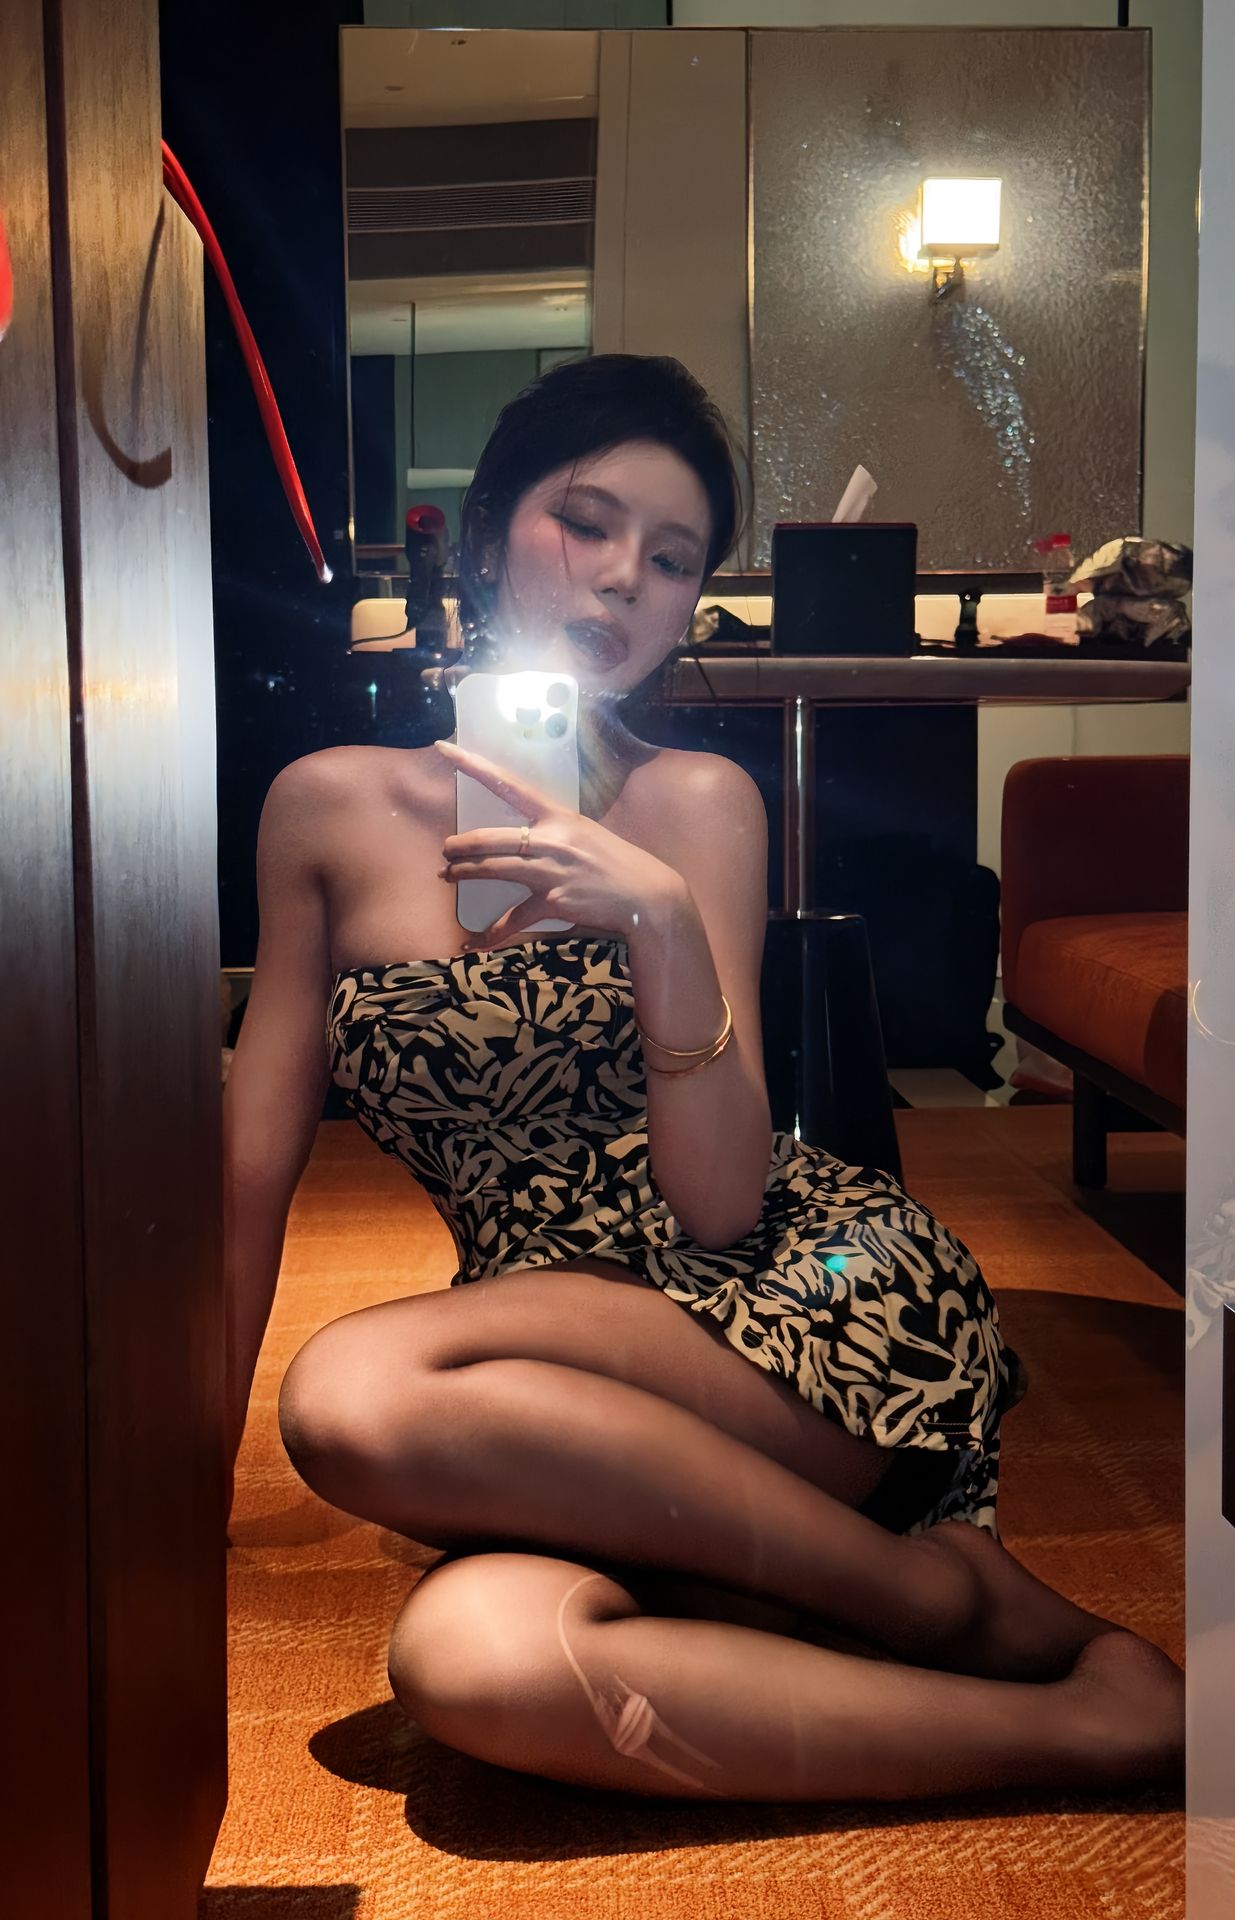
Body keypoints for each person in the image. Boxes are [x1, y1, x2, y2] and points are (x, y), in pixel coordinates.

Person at [225, 353, 1182, 1803]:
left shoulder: (694, 803)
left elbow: (724, 1204)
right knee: (475, 1662)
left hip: (797, 1296)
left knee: (355, 1389)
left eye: (672, 560)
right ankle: (1077, 1720)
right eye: (585, 522)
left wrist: (663, 925)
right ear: (488, 532)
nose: (624, 578)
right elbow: (248, 1173)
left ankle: (924, 1600)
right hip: (554, 1385)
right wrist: (171, 1491)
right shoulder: (325, 808)